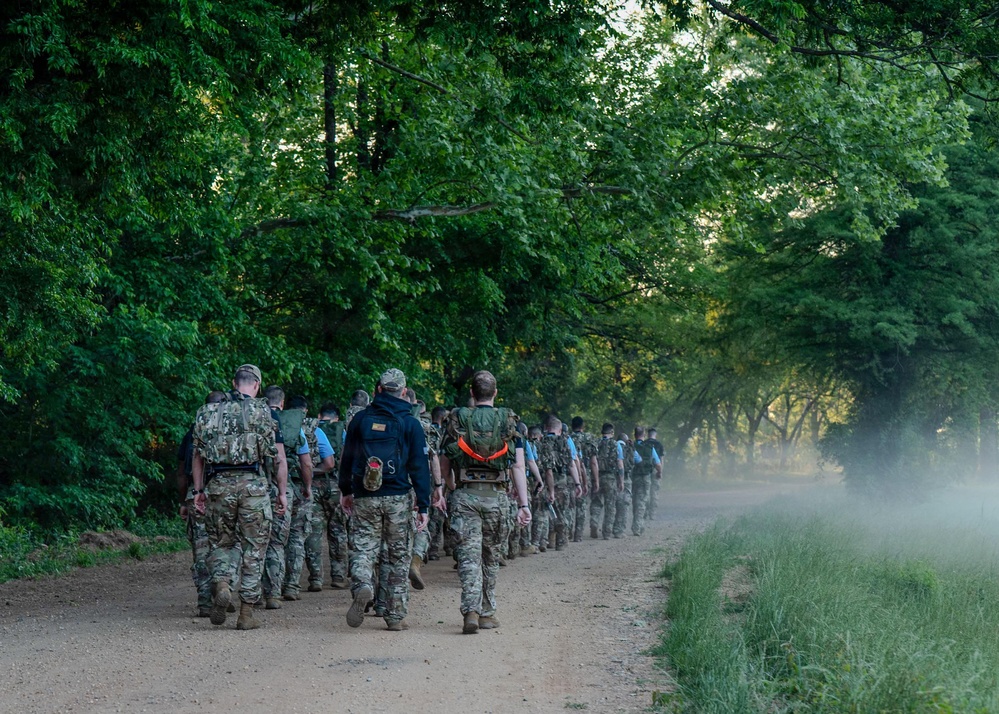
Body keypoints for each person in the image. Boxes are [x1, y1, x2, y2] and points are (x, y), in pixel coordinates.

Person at [192, 364, 288, 630]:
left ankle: (222, 584)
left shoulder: (208, 412)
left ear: (235, 383)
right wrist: (281, 493)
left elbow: (197, 457)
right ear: (257, 385)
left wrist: (198, 491)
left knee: (222, 544)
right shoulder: (265, 412)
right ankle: (246, 613)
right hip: (254, 487)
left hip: (219, 486)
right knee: (254, 549)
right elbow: (279, 459)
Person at [339, 368, 431, 632]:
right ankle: (395, 615)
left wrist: (346, 490)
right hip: (398, 496)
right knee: (398, 555)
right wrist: (422, 503)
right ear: (403, 392)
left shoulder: (359, 419)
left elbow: (347, 459)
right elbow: (419, 466)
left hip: (366, 495)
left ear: (377, 389)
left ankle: (364, 585)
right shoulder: (410, 423)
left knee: (363, 549)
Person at [439, 370, 531, 634]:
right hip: (497, 497)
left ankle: (470, 610)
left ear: (472, 393)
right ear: (495, 393)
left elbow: (444, 459)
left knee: (468, 556)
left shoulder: (457, 418)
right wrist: (524, 504)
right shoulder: (508, 420)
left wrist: (450, 486)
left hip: (465, 494)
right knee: (491, 556)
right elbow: (518, 465)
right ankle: (488, 613)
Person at [177, 390, 225, 617]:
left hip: (195, 493)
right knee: (225, 546)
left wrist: (184, 500)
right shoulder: (233, 430)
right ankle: (222, 589)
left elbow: (182, 471)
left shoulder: (194, 432)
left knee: (201, 549)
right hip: (224, 493)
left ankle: (205, 602)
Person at [294, 396, 336, 593]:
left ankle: (283, 585)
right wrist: (310, 472)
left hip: (280, 486)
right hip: (314, 487)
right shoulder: (315, 430)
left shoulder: (273, 425)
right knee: (322, 531)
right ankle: (319, 578)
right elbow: (329, 464)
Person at [313, 403, 351, 589]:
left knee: (314, 532)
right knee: (338, 530)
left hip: (314, 483)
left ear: (319, 415)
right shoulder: (341, 431)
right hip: (336, 485)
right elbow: (345, 459)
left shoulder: (312, 429)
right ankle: (338, 575)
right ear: (336, 417)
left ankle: (316, 578)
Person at [535, 415, 582, 551]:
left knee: (542, 512)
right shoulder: (565, 442)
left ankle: (543, 541)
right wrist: (577, 483)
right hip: (561, 482)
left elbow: (546, 470)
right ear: (560, 429)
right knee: (561, 512)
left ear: (546, 428)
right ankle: (561, 542)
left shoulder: (540, 442)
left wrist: (549, 490)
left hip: (541, 482)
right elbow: (572, 464)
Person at [591, 423, 625, 540]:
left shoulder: (596, 443)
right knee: (610, 506)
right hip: (610, 478)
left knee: (596, 502)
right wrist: (621, 480)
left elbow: (592, 461)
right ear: (612, 432)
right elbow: (620, 464)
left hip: (596, 476)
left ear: (602, 432)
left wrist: (595, 479)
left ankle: (594, 523)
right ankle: (606, 532)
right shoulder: (616, 445)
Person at [569, 416, 598, 541]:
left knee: (569, 505)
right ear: (583, 426)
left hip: (569, 474)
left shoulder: (567, 438)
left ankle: (567, 532)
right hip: (585, 473)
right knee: (581, 505)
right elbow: (593, 462)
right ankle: (578, 534)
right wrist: (596, 480)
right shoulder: (589, 438)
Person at [631, 426, 662, 536]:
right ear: (644, 435)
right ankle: (638, 526)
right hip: (645, 477)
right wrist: (659, 472)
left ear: (635, 435)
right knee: (642, 501)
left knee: (635, 500)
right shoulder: (649, 447)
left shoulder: (631, 447)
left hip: (633, 477)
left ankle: (638, 523)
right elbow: (657, 463)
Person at [645, 427, 664, 522]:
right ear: (655, 434)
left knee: (645, 491)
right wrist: (661, 471)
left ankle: (645, 511)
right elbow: (661, 459)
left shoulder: (644, 443)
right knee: (654, 492)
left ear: (648, 434)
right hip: (656, 469)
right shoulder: (659, 444)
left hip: (645, 470)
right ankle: (652, 514)